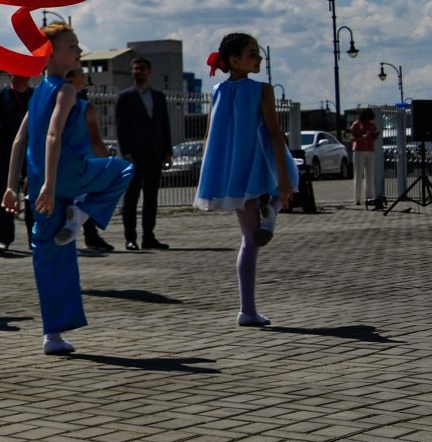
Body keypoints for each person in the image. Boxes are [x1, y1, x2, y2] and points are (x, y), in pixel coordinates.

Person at [1, 23, 133, 355]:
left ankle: (53, 335)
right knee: (123, 169)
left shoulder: (37, 91)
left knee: (48, 256)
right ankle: (82, 214)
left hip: (42, 187)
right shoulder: (65, 89)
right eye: (72, 45)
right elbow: (52, 135)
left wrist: (10, 186)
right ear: (52, 53)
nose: (78, 50)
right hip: (66, 177)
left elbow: (19, 140)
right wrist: (49, 181)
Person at [194, 33, 296, 327]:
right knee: (291, 181)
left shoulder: (217, 90)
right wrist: (285, 176)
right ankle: (273, 211)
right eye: (253, 53)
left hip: (233, 169)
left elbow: (211, 135)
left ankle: (247, 310)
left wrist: (210, 170)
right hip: (259, 160)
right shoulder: (262, 90)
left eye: (259, 53)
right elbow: (275, 133)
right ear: (234, 60)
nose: (259, 59)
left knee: (249, 241)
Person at [114, 57, 173, 251]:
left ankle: (149, 236)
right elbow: (121, 128)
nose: (139, 71)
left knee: (151, 199)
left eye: (142, 68)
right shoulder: (125, 97)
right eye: (136, 69)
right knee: (131, 199)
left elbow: (164, 125)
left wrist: (167, 152)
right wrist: (126, 153)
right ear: (132, 72)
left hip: (155, 154)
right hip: (134, 156)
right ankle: (130, 238)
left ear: (149, 71)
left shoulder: (158, 97)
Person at [65, 65, 116, 253]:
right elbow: (95, 140)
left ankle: (86, 234)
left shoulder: (50, 103)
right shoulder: (84, 107)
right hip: (79, 162)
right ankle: (80, 230)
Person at [0, 72, 34, 254]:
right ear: (10, 74)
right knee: (5, 195)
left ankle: (34, 238)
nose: (22, 76)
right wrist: (3, 148)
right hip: (8, 154)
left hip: (31, 154)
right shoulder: (1, 96)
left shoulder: (35, 95)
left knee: (32, 195)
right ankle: (4, 239)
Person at [349, 108, 379, 209]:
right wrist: (364, 136)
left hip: (370, 149)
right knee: (358, 174)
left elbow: (375, 135)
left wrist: (374, 134)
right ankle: (357, 199)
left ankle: (369, 197)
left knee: (370, 175)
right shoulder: (356, 124)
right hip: (359, 150)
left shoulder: (372, 124)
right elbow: (353, 138)